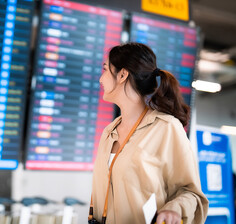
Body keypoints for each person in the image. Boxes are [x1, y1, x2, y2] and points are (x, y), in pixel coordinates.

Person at [89, 43, 209, 224]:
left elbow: (192, 193)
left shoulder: (166, 128)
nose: (101, 78)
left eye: (105, 70)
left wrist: (174, 209)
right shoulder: (109, 132)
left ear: (122, 75)